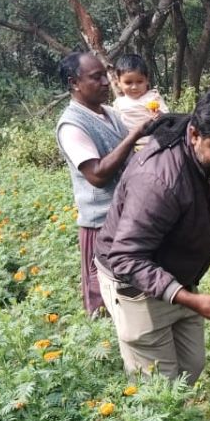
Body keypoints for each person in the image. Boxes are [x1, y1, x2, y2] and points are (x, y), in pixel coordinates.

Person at [94, 89, 210, 382]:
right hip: (135, 283)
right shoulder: (158, 179)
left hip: (180, 273)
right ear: (194, 134)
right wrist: (188, 299)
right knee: (159, 387)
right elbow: (126, 257)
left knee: (190, 368)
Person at [56, 51, 152, 316]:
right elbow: (97, 175)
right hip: (100, 225)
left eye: (105, 76)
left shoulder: (110, 114)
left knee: (131, 290)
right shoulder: (71, 125)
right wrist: (133, 137)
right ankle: (104, 353)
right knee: (103, 297)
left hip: (127, 217)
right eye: (95, 77)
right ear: (74, 82)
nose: (105, 83)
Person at [111, 54, 168, 134]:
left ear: (147, 80)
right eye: (128, 82)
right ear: (118, 83)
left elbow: (167, 116)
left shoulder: (152, 97)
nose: (134, 87)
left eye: (139, 82)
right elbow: (115, 124)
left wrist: (159, 115)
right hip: (129, 142)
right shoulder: (119, 103)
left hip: (153, 139)